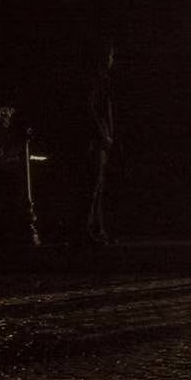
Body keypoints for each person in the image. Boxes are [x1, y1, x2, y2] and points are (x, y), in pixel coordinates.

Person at [80, 39, 115, 245]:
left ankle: (96, 228)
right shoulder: (95, 80)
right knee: (92, 186)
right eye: (110, 55)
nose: (112, 59)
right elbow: (91, 110)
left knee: (97, 186)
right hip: (96, 141)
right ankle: (88, 229)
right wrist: (103, 135)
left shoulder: (101, 79)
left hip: (101, 140)